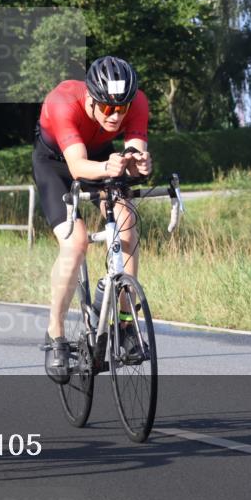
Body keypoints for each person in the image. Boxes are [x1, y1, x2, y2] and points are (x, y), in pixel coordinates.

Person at [32, 56, 152, 383]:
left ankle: (126, 323)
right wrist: (109, 169)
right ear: (91, 98)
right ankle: (55, 333)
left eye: (122, 108)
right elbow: (77, 168)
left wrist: (139, 165)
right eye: (108, 109)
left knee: (126, 222)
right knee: (75, 243)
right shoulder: (63, 102)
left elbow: (133, 153)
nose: (116, 115)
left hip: (100, 156)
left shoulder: (137, 100)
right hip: (57, 163)